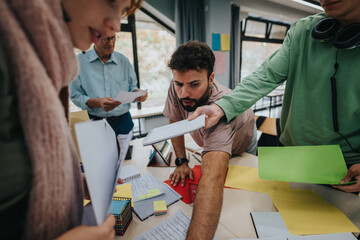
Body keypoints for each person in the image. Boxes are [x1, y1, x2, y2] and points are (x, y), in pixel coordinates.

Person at [0, 0, 142, 239]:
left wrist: (73, 182)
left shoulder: (50, 59)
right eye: (110, 2)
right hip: (96, 122)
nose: (116, 27)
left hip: (122, 120)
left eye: (122, 13)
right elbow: (78, 96)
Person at [189, 0, 360, 193]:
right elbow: (266, 76)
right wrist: (222, 107)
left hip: (344, 167)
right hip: (291, 154)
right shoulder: (303, 31)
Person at [164, 41, 257, 239]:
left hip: (244, 144)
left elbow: (212, 177)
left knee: (245, 202)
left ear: (211, 79)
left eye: (194, 85)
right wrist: (181, 161)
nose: (184, 94)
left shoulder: (220, 108)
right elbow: (175, 119)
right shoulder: (178, 87)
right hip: (210, 141)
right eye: (179, 84)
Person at [70, 32, 147, 135]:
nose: (111, 44)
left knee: (129, 151)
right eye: (105, 39)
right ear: (94, 39)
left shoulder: (123, 61)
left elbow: (132, 87)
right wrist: (97, 103)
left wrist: (137, 93)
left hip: (123, 121)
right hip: (95, 123)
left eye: (113, 38)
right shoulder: (79, 62)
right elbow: (75, 95)